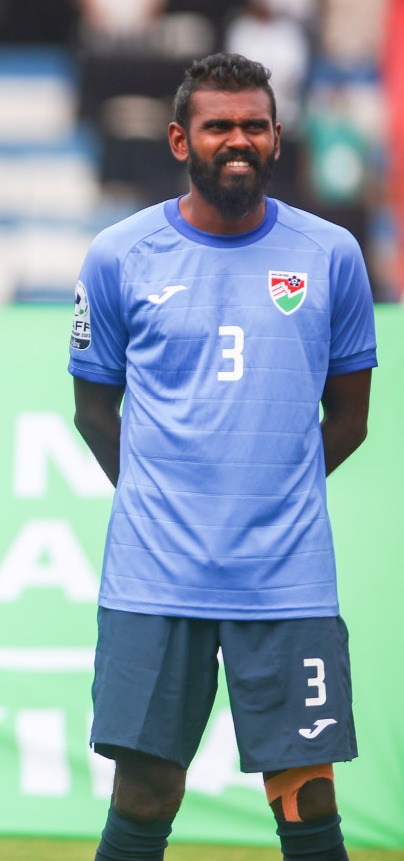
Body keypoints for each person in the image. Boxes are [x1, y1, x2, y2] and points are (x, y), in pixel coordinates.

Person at [70, 53, 376, 861]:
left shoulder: (333, 254)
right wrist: (160, 500)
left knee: (306, 794)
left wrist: (272, 495)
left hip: (286, 577)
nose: (237, 140)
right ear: (180, 139)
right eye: (219, 126)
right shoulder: (118, 255)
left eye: (253, 125)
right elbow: (94, 411)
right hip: (154, 576)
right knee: (144, 788)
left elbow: (349, 418)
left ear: (276, 138)